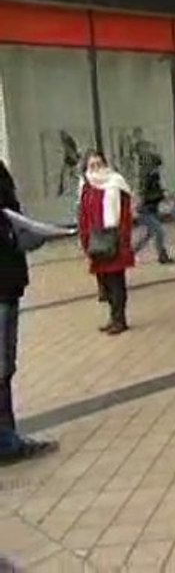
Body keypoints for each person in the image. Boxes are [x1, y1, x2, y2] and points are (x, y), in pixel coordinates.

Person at [0, 161, 58, 465]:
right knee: (2, 366)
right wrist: (14, 235)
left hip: (7, 281)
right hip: (2, 284)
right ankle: (6, 442)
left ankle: (7, 438)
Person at [78, 151, 135, 335]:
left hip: (113, 239)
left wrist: (123, 237)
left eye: (99, 163)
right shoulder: (86, 188)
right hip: (95, 241)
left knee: (116, 281)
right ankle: (113, 317)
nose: (96, 168)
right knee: (104, 283)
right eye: (92, 165)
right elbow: (83, 215)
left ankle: (120, 319)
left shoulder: (115, 183)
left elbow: (125, 213)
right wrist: (85, 240)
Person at [133, 148, 171, 263]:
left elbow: (154, 191)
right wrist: (162, 195)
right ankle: (162, 255)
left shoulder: (153, 177)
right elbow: (145, 194)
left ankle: (131, 252)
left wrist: (162, 193)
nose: (157, 169)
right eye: (156, 166)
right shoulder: (148, 177)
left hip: (152, 209)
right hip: (146, 210)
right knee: (159, 231)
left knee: (149, 234)